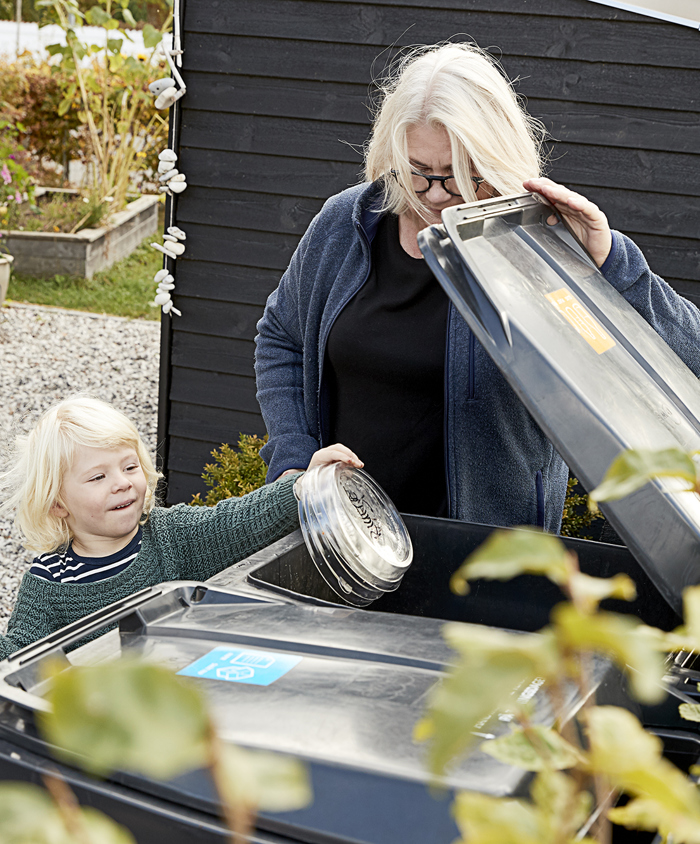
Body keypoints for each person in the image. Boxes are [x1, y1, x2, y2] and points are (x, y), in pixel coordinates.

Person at [254, 42, 700, 532]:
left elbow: (687, 358)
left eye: (461, 177)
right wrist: (293, 465)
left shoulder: (538, 245)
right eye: (416, 174)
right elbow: (281, 337)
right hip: (344, 539)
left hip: (485, 563)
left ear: (498, 160)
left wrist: (608, 265)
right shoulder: (347, 222)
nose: (436, 198)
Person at [0, 395, 361, 660]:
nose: (122, 483)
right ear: (57, 503)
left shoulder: (171, 535)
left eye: (129, 467)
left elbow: (236, 524)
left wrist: (300, 487)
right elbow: (18, 652)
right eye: (98, 476)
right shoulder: (49, 581)